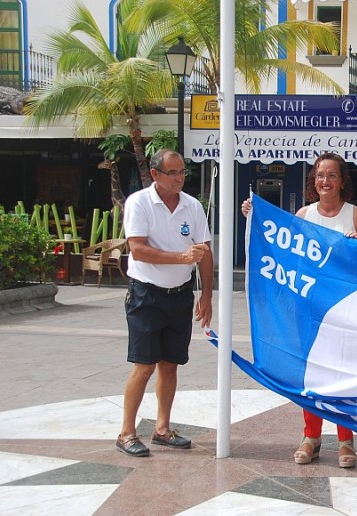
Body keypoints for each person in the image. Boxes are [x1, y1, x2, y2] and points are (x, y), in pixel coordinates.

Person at [241, 152, 357, 468]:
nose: (324, 181)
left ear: (342, 181)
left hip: (343, 312)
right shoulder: (303, 214)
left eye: (331, 175)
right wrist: (255, 215)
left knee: (341, 376)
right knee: (310, 372)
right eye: (319, 175)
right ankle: (311, 437)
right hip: (308, 309)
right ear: (313, 181)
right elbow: (287, 254)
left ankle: (346, 440)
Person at [117, 149, 213, 457]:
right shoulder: (139, 202)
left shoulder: (192, 205)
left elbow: (205, 252)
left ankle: (162, 428)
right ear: (156, 175)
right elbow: (138, 249)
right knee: (144, 365)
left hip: (180, 294)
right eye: (173, 173)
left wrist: (207, 295)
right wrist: (181, 257)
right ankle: (127, 432)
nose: (179, 178)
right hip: (146, 293)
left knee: (170, 364)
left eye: (183, 172)